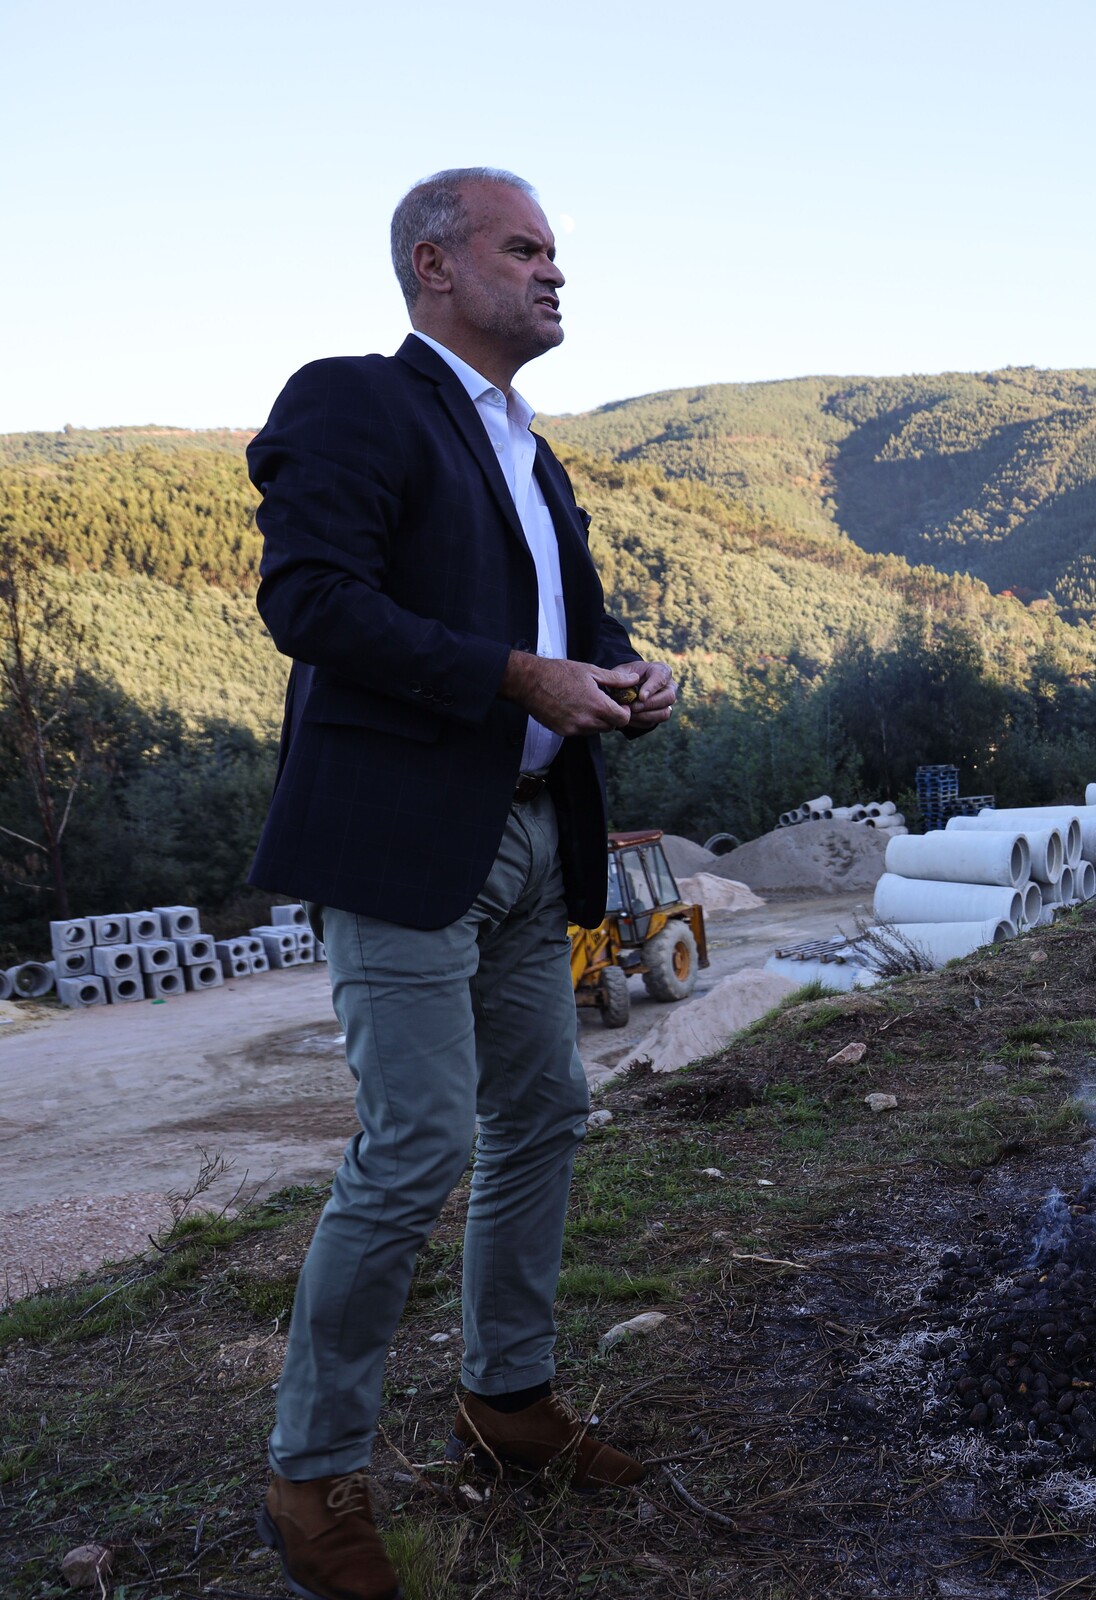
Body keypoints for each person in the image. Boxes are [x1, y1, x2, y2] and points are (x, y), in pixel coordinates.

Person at [246, 168, 674, 1600]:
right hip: (403, 837)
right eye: (524, 249)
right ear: (435, 266)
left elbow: (567, 620)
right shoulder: (353, 401)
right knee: (421, 1140)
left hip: (537, 826)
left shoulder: (531, 450)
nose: (555, 274)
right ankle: (312, 1480)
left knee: (546, 1103)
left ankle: (507, 1400)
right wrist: (513, 677)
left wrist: (620, 669)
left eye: (558, 253)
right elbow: (309, 600)